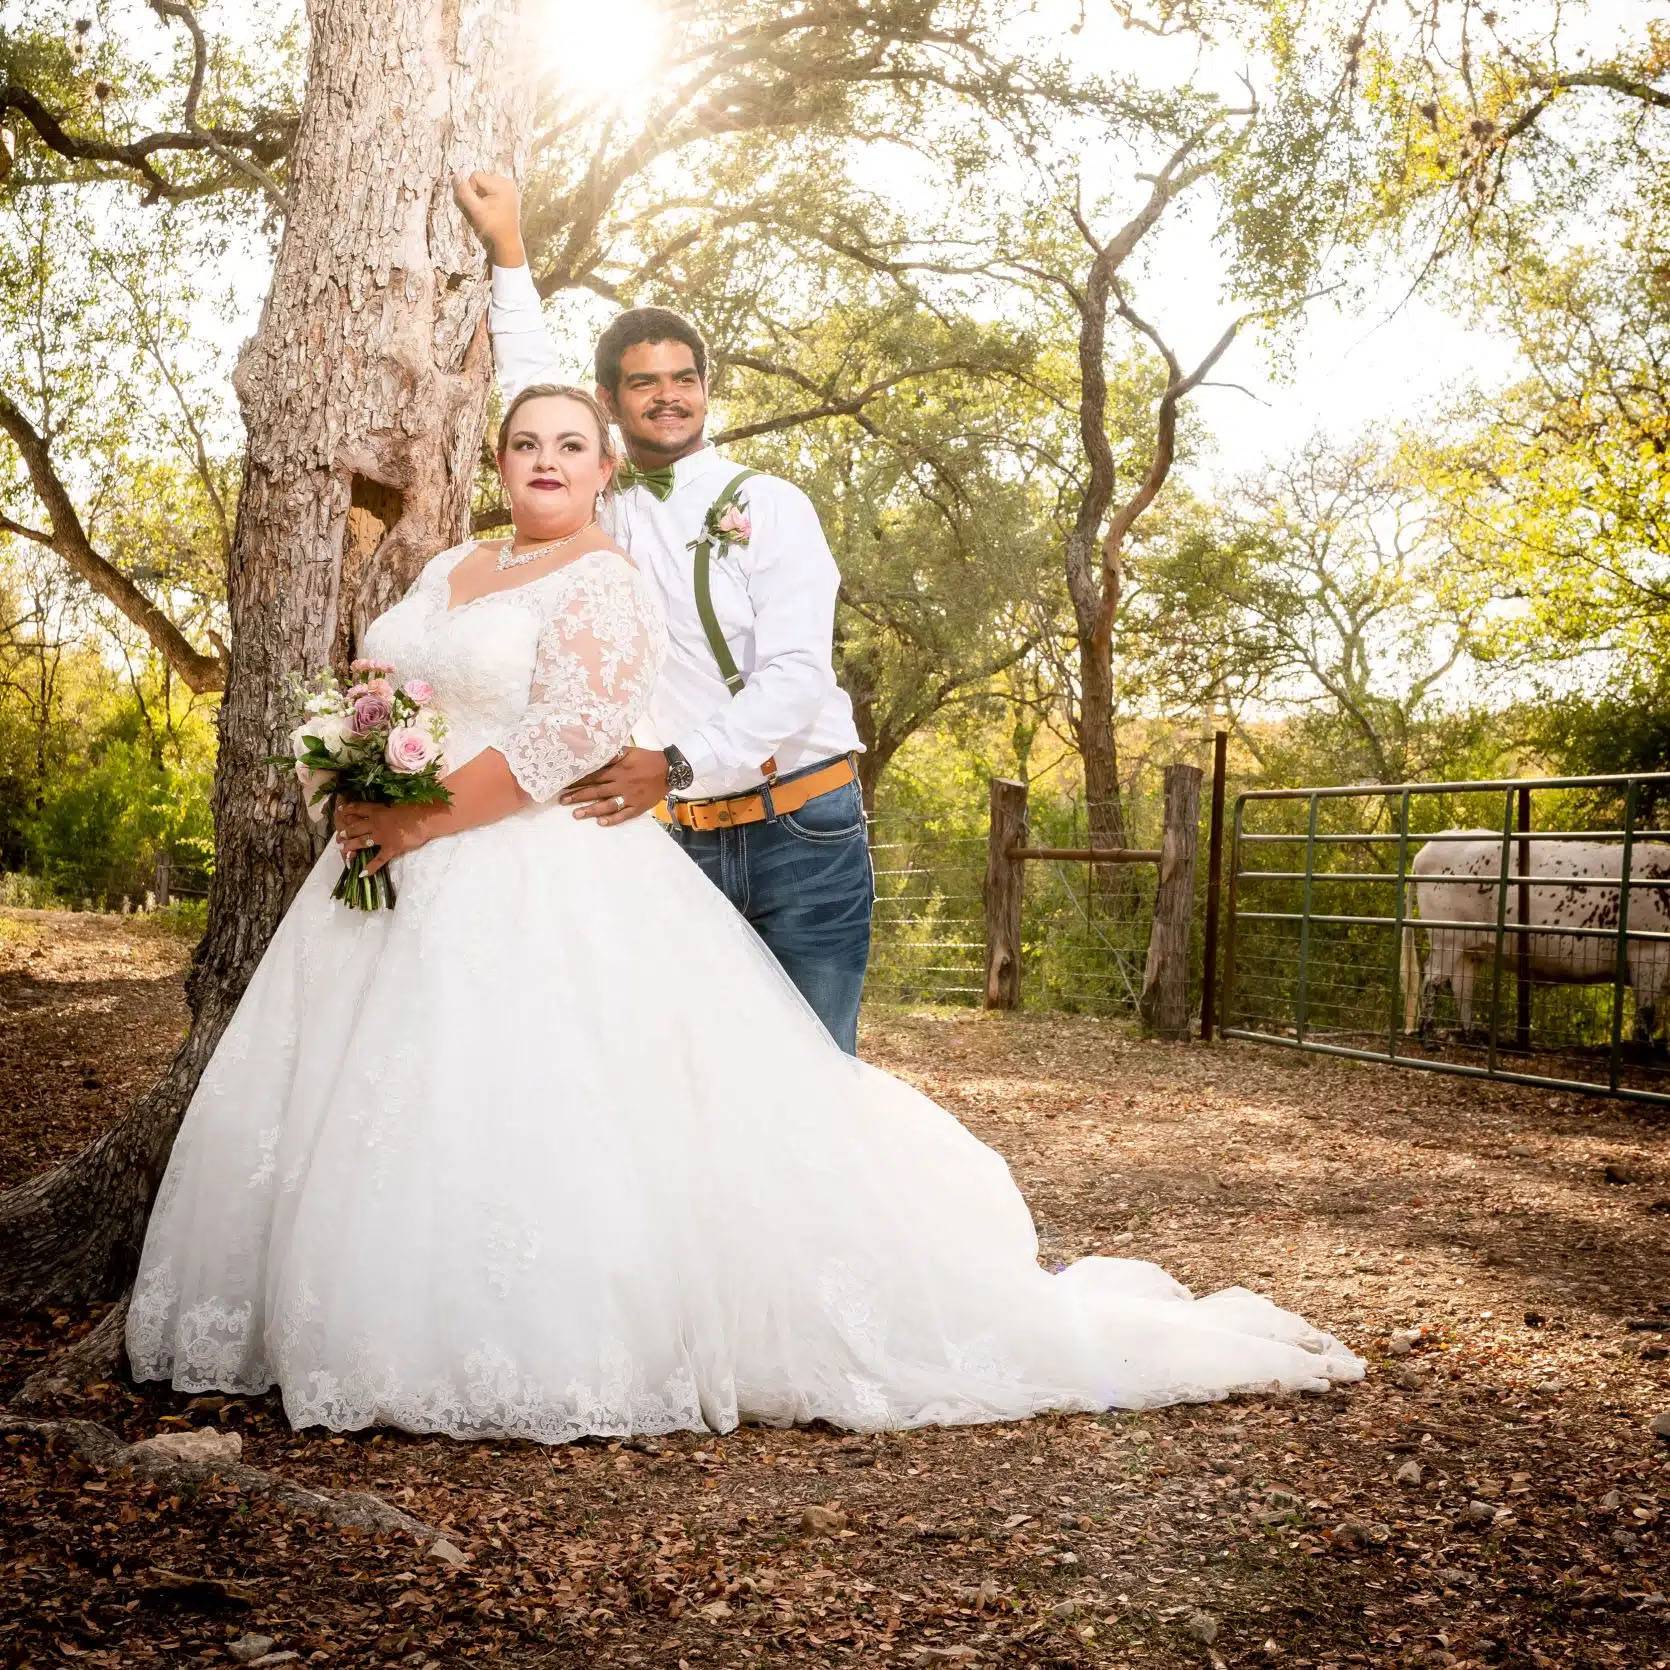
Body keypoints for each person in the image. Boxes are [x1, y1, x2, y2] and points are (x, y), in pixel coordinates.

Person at [125, 380, 1364, 1444]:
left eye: (570, 443)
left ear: (606, 467)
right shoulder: (451, 563)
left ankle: (536, 1340)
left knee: (538, 1093)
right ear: (494, 461)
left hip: (523, 861)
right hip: (377, 870)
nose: (545, 460)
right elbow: (375, 685)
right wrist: (348, 777)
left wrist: (417, 815)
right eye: (524, 442)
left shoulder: (605, 580)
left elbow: (565, 739)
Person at [453, 171, 873, 1054]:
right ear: (612, 403)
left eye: (685, 379)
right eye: (644, 384)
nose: (669, 396)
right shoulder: (605, 503)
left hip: (805, 826)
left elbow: (798, 678)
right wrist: (509, 254)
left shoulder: (773, 504)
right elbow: (534, 391)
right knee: (690, 1073)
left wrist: (673, 764)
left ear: (707, 390)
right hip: (677, 843)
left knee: (814, 1072)